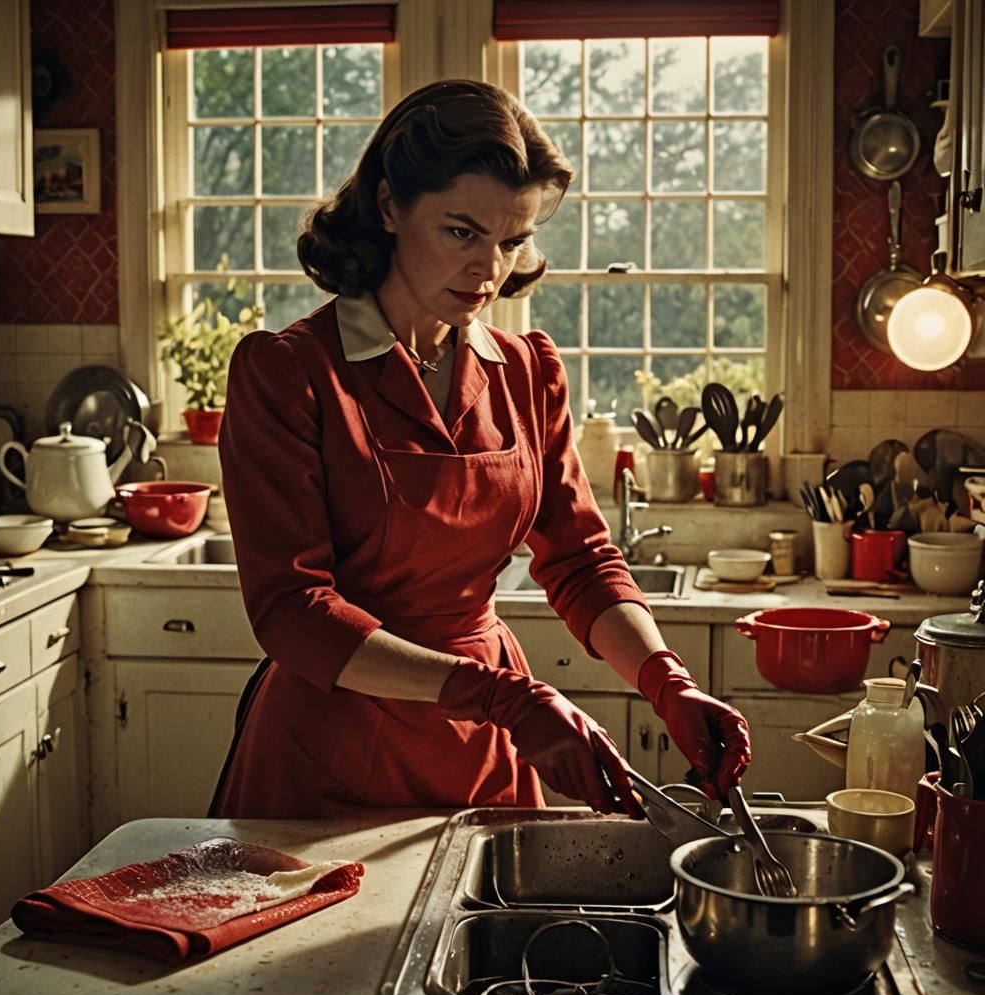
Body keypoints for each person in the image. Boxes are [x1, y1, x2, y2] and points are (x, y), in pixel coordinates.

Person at [210, 79, 751, 820]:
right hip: (327, 756)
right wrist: (502, 696)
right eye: (462, 232)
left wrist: (667, 681)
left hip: (485, 750)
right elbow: (293, 611)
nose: (489, 270)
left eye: (513, 240)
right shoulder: (289, 372)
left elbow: (582, 561)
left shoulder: (526, 371)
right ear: (391, 206)